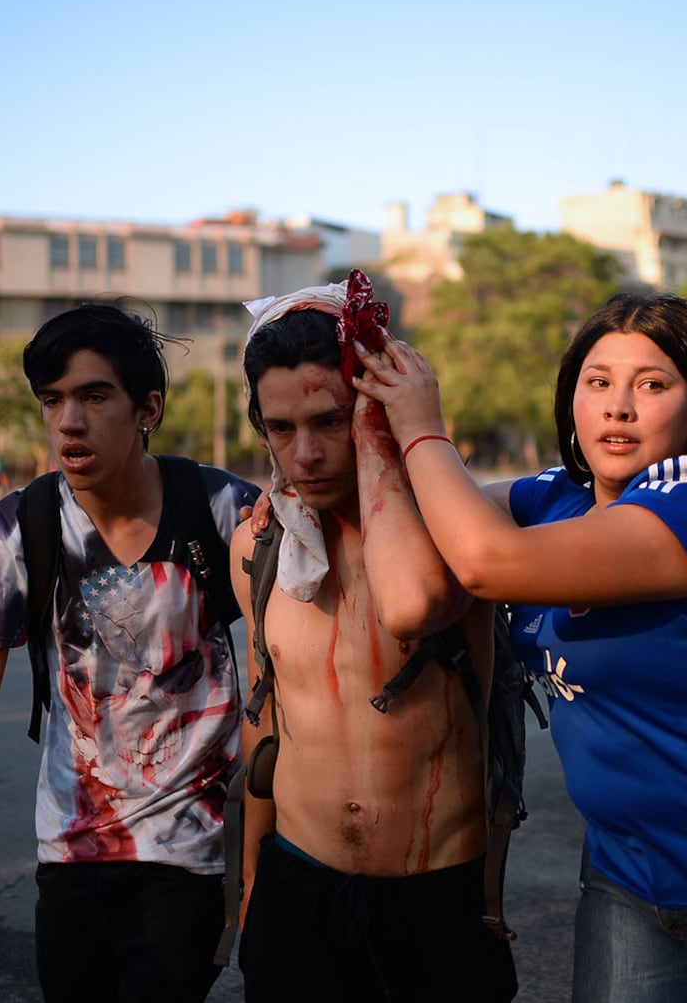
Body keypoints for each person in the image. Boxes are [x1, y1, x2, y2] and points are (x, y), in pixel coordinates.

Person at [353, 292, 687, 1001]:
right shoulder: (557, 497)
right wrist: (300, 483)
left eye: (652, 384)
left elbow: (482, 559)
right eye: (596, 381)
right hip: (626, 881)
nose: (617, 406)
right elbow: (437, 514)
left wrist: (420, 425)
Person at [0, 302, 260, 1002]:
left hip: (192, 854)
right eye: (52, 400)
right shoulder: (24, 525)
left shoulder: (221, 508)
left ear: (148, 408)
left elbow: (286, 681)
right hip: (72, 851)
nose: (67, 422)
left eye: (93, 395)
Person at [232, 280, 517, 1003]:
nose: (304, 453)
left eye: (330, 421)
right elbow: (264, 723)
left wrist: (488, 897)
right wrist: (253, 885)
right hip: (296, 887)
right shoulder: (261, 547)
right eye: (280, 428)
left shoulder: (452, 533)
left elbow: (422, 615)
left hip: (432, 898)